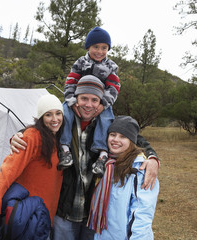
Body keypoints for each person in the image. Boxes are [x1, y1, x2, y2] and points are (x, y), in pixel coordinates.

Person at [10, 77, 159, 240]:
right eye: (84, 98)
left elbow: (133, 136)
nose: (89, 105)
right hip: (64, 209)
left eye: (94, 100)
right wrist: (19, 134)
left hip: (93, 213)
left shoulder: (106, 126)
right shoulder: (62, 122)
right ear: (76, 99)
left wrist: (152, 157)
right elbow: (40, 127)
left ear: (100, 102)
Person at [0, 94, 64, 238]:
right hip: (26, 216)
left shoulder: (56, 138)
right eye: (48, 114)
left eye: (58, 113)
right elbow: (8, 171)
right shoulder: (33, 137)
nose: (55, 119)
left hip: (44, 216)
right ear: (41, 118)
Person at [59, 26, 120, 178]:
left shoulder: (111, 66)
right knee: (64, 112)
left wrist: (103, 104)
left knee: (106, 120)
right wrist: (72, 101)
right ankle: (65, 148)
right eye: (96, 47)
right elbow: (71, 82)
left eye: (104, 48)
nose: (100, 51)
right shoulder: (80, 62)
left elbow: (114, 87)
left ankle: (102, 154)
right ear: (88, 47)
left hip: (100, 102)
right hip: (79, 99)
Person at [88, 116, 159, 239]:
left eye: (123, 136)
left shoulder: (139, 170)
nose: (116, 140)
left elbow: (142, 216)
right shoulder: (108, 164)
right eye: (113, 134)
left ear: (132, 141)